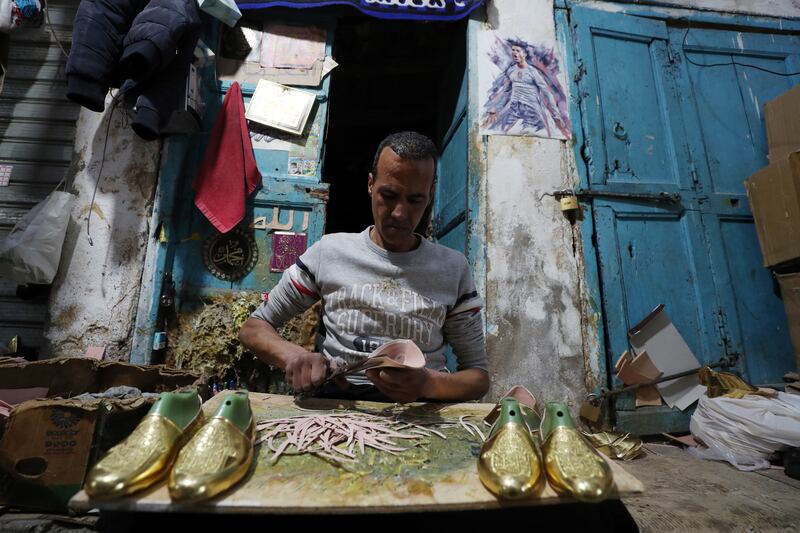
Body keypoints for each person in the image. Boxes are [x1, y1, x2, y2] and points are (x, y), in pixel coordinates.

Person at [239, 131, 489, 403]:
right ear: (370, 185)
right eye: (389, 195)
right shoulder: (330, 253)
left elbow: (478, 377)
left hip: (419, 413)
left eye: (415, 200)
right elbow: (254, 328)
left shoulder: (453, 269)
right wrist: (295, 356)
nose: (399, 213)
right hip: (338, 403)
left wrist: (428, 384)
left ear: (430, 195)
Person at [483, 40, 568, 137]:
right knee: (497, 130)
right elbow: (506, 92)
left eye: (518, 51)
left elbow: (546, 92)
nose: (514, 52)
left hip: (531, 109)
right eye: (513, 50)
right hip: (514, 108)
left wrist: (556, 113)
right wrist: (495, 108)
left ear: (524, 54)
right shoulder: (511, 70)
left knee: (532, 134)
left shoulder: (532, 72)